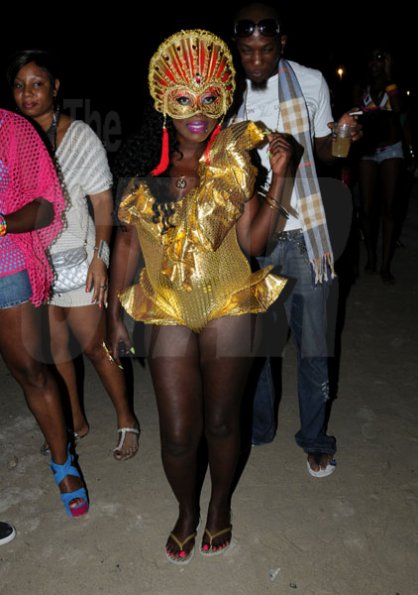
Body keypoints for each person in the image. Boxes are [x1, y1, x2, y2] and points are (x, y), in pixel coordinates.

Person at [108, 29, 293, 563]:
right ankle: (186, 509)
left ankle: (219, 507)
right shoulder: (143, 173)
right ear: (164, 100)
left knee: (221, 421)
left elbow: (256, 242)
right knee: (178, 433)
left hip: (229, 302)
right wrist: (115, 318)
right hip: (165, 308)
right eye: (184, 98)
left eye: (209, 98)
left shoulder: (236, 163)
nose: (198, 111)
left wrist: (280, 176)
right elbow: (126, 244)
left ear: (224, 99)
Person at [231, 2, 361, 476]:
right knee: (260, 346)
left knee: (314, 345)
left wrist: (339, 135)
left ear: (282, 44)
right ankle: (260, 426)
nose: (257, 60)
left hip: (306, 231)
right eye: (247, 52)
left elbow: (326, 151)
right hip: (256, 236)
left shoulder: (310, 82)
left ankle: (314, 437)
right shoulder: (229, 94)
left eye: (266, 49)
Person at [8, 50, 139, 460]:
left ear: (55, 87)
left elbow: (102, 202)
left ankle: (126, 419)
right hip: (36, 265)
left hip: (79, 262)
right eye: (19, 86)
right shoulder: (13, 141)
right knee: (55, 351)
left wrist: (100, 257)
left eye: (37, 84)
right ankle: (75, 423)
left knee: (95, 348)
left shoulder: (79, 136)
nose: (27, 94)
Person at [0, 107, 88, 517]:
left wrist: (1, 224)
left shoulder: (13, 129)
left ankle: (63, 462)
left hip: (6, 266)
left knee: (31, 370)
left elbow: (48, 207)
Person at [353, 47, 413, 284]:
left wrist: (388, 78)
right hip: (367, 151)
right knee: (367, 210)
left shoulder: (393, 86)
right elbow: (355, 114)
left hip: (391, 149)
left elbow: (398, 108)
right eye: (372, 58)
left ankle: (386, 265)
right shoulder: (362, 87)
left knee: (389, 208)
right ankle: (371, 255)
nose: (375, 62)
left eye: (381, 58)